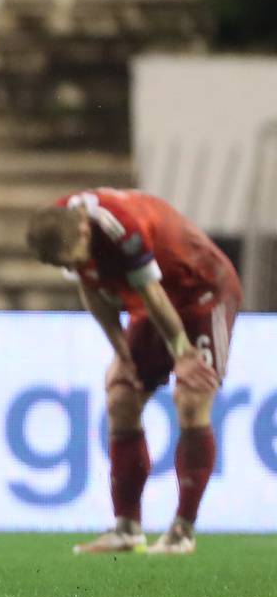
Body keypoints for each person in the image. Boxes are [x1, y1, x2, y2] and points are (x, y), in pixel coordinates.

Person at [25, 190, 237, 555]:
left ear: (85, 234)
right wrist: (121, 352)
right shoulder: (58, 228)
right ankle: (127, 528)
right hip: (153, 301)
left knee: (191, 394)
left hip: (201, 290)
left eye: (77, 260)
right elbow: (89, 286)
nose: (76, 267)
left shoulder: (120, 227)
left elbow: (152, 291)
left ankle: (182, 531)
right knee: (121, 394)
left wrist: (184, 353)